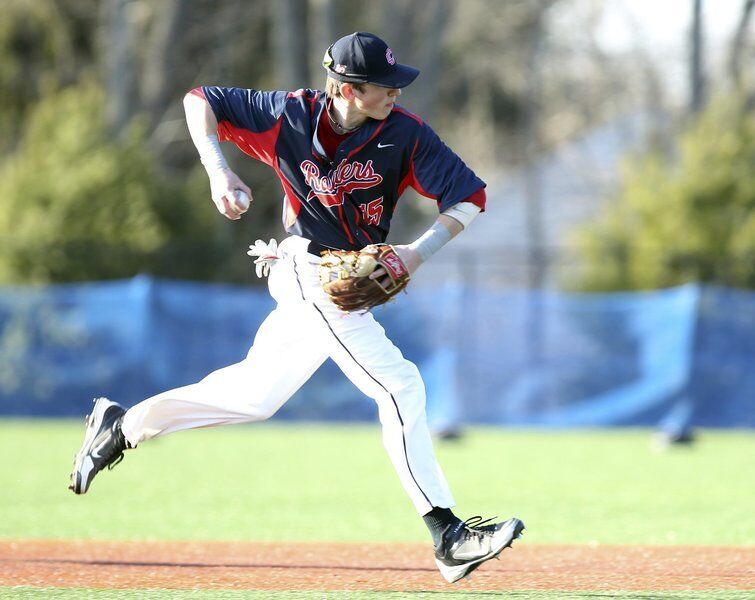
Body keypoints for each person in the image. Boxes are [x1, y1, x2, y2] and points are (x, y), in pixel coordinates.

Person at [68, 31, 524, 583]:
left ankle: (121, 426)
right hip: (309, 271)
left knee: (253, 396)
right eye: (384, 86)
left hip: (342, 276)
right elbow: (199, 101)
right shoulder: (291, 115)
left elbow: (469, 196)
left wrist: (416, 254)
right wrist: (219, 170)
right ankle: (447, 534)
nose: (396, 93)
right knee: (400, 385)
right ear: (347, 89)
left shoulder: (404, 133)